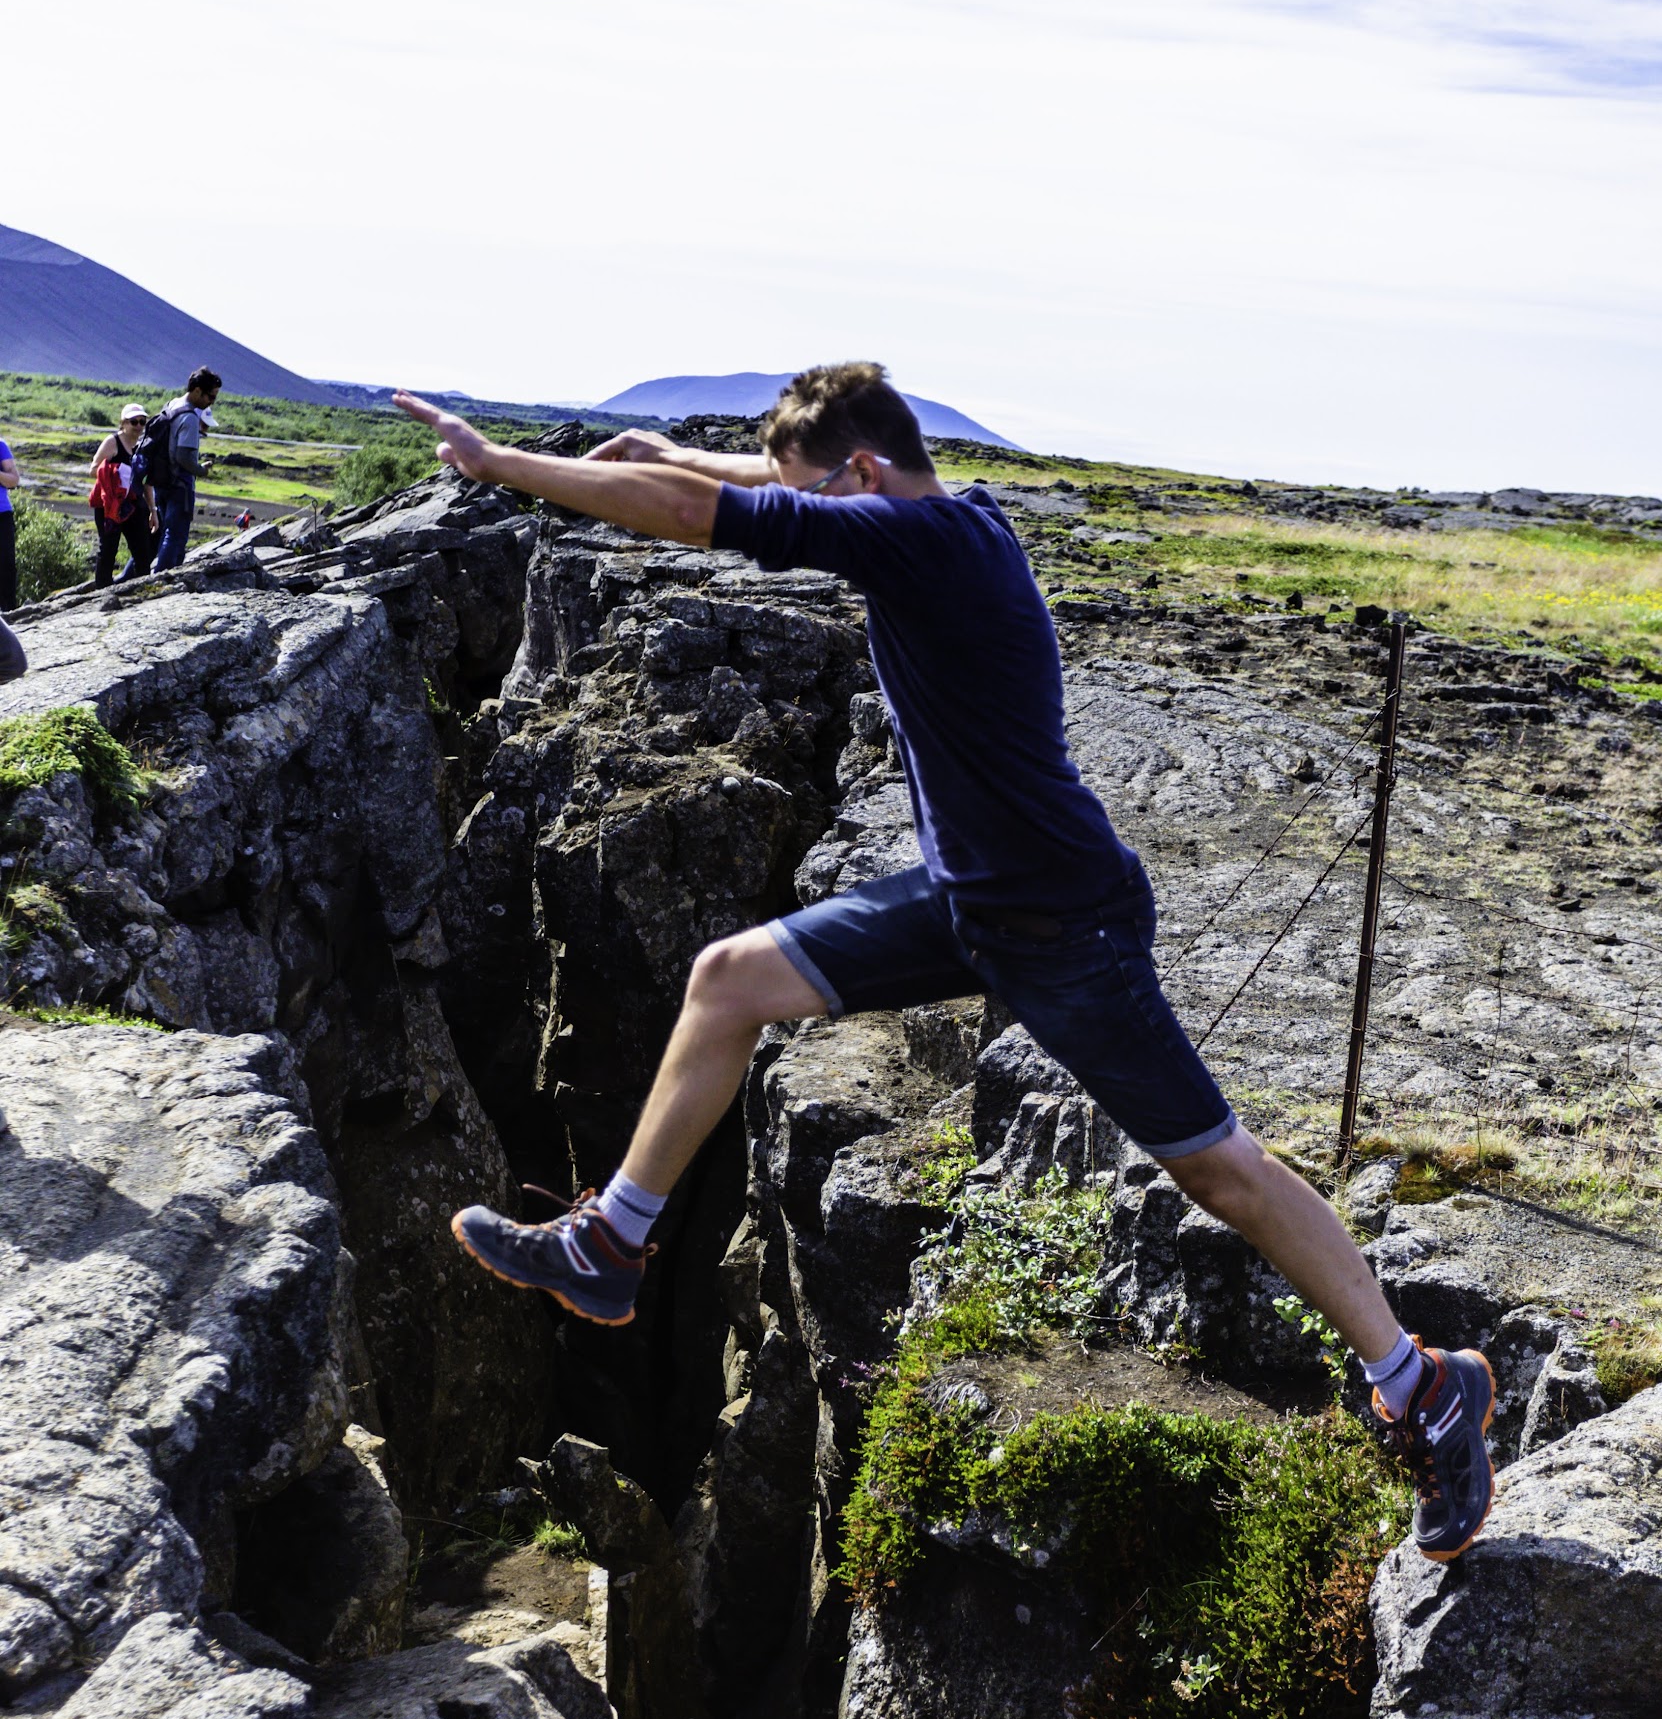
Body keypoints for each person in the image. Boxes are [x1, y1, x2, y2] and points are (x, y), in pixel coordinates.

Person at [398, 365, 1496, 1566]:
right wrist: (675, 445)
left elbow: (710, 516)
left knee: (1220, 1171)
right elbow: (761, 488)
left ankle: (1421, 1379)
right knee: (728, 981)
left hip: (1062, 921)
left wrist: (499, 465)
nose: (809, 509)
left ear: (864, 476)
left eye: (817, 489)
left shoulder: (927, 547)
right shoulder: (933, 512)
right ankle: (613, 1243)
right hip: (966, 904)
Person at [150, 367, 222, 572]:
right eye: (211, 396)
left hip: (161, 481)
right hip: (178, 485)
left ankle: (140, 576)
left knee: (160, 533)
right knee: (175, 535)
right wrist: (201, 470)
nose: (211, 402)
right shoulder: (189, 417)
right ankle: (163, 580)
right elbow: (183, 457)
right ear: (197, 391)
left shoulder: (171, 404)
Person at [90, 403, 157, 586]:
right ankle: (102, 592)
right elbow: (93, 470)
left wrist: (153, 510)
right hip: (110, 505)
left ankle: (143, 589)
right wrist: (116, 471)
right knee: (109, 549)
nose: (138, 426)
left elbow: (147, 482)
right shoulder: (112, 442)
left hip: (134, 505)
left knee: (143, 549)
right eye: (133, 421)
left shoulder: (144, 446)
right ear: (123, 423)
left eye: (142, 422)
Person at [0, 431, 20, 612]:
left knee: (6, 564)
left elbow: (13, 480)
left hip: (2, 513)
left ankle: (9, 612)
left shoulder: (1, 445)